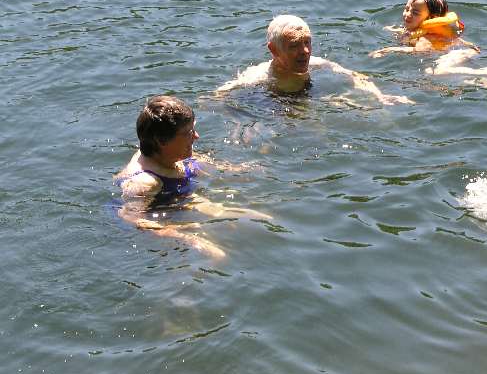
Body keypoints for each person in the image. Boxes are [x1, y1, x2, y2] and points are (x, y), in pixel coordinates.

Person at [115, 95, 269, 258]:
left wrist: (238, 170)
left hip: (183, 197)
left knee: (260, 219)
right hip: (168, 210)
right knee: (222, 251)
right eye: (188, 133)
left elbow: (198, 162)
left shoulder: (164, 153)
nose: (196, 136)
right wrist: (189, 239)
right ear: (162, 141)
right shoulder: (145, 182)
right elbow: (129, 217)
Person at [217, 14, 413, 105]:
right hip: (273, 107)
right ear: (274, 50)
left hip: (308, 99)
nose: (305, 52)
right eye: (294, 45)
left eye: (307, 42)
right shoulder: (259, 76)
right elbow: (220, 95)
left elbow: (355, 76)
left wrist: (380, 96)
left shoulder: (318, 64)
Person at [369, 0, 487, 78]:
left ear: (432, 18)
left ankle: (486, 72)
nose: (407, 14)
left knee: (437, 72)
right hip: (458, 52)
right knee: (431, 73)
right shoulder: (418, 31)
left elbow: (420, 51)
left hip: (457, 53)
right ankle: (473, 80)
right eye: (406, 9)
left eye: (415, 12)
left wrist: (389, 49)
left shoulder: (425, 37)